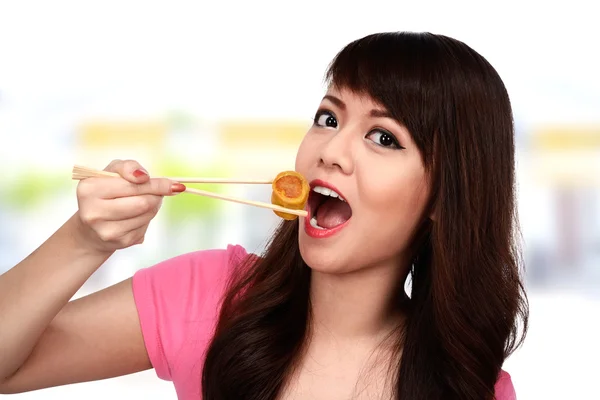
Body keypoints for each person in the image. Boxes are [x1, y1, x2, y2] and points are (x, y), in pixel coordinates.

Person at [0, 31, 528, 400]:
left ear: (443, 197)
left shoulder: (473, 389)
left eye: (383, 136)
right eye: (328, 117)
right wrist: (85, 242)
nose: (331, 150)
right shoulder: (212, 297)